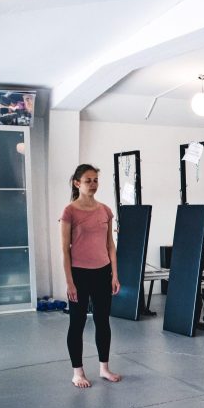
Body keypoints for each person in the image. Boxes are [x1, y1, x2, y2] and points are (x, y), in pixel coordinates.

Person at [60, 164, 122, 388]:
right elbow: (65, 251)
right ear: (77, 183)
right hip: (79, 275)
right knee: (77, 323)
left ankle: (104, 368)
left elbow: (110, 245)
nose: (93, 184)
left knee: (102, 321)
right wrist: (70, 282)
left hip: (103, 273)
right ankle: (78, 372)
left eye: (95, 180)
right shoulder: (69, 212)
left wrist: (114, 275)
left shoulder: (105, 210)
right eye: (88, 180)